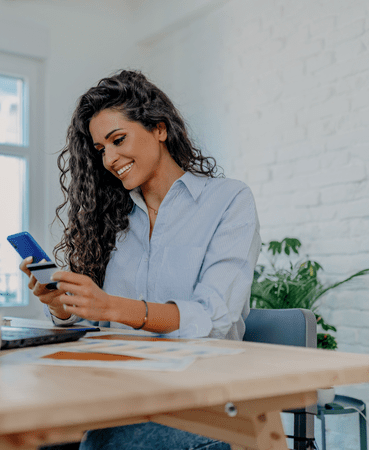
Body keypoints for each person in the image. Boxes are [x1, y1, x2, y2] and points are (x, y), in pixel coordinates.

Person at [20, 70, 261, 450]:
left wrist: (113, 305)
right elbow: (97, 325)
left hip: (205, 404)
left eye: (118, 140)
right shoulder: (114, 220)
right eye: (101, 150)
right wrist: (64, 308)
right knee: (29, 433)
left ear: (160, 129)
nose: (110, 159)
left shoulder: (228, 201)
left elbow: (215, 317)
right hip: (121, 395)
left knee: (102, 444)